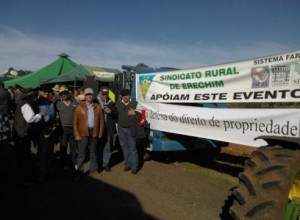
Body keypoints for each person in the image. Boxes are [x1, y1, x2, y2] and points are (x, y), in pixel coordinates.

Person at [13, 89, 46, 186]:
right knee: (24, 156)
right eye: (33, 96)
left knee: (21, 155)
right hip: (22, 134)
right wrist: (40, 115)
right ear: (31, 97)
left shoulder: (22, 103)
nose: (34, 98)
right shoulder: (26, 104)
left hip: (19, 133)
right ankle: (25, 178)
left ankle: (22, 176)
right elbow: (30, 119)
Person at [73, 87, 104, 179]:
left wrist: (100, 132)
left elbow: (101, 121)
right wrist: (77, 134)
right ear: (84, 96)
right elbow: (74, 122)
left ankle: (93, 171)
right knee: (82, 153)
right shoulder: (79, 107)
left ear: (93, 95)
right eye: (87, 95)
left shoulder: (97, 107)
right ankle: (79, 173)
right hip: (83, 132)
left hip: (94, 131)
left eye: (90, 94)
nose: (89, 96)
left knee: (93, 152)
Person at [32, 85, 57, 182]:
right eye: (44, 92)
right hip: (42, 131)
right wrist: (46, 127)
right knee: (42, 152)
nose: (46, 94)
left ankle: (48, 169)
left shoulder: (51, 103)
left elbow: (53, 115)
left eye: (48, 92)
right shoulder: (36, 104)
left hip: (51, 130)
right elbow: (35, 120)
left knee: (50, 151)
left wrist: (55, 124)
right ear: (40, 92)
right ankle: (41, 172)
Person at [116, 88, 139, 174]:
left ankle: (134, 166)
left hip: (131, 129)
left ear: (129, 95)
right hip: (121, 128)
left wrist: (135, 113)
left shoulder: (135, 104)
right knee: (124, 147)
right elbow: (115, 115)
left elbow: (141, 115)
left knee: (132, 148)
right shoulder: (118, 104)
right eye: (123, 95)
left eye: (126, 95)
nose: (125, 97)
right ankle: (127, 164)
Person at [56, 87, 77, 171]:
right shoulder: (58, 104)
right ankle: (63, 164)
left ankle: (73, 163)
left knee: (73, 147)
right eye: (61, 94)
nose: (63, 95)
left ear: (69, 93)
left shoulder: (75, 103)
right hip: (63, 129)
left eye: (65, 93)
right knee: (63, 147)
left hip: (73, 128)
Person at [97, 86, 117, 172]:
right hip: (98, 129)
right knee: (97, 147)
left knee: (107, 148)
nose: (105, 96)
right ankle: (97, 164)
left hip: (108, 128)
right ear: (99, 93)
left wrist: (111, 112)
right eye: (103, 94)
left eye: (106, 94)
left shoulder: (111, 102)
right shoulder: (95, 101)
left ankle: (105, 164)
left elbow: (116, 114)